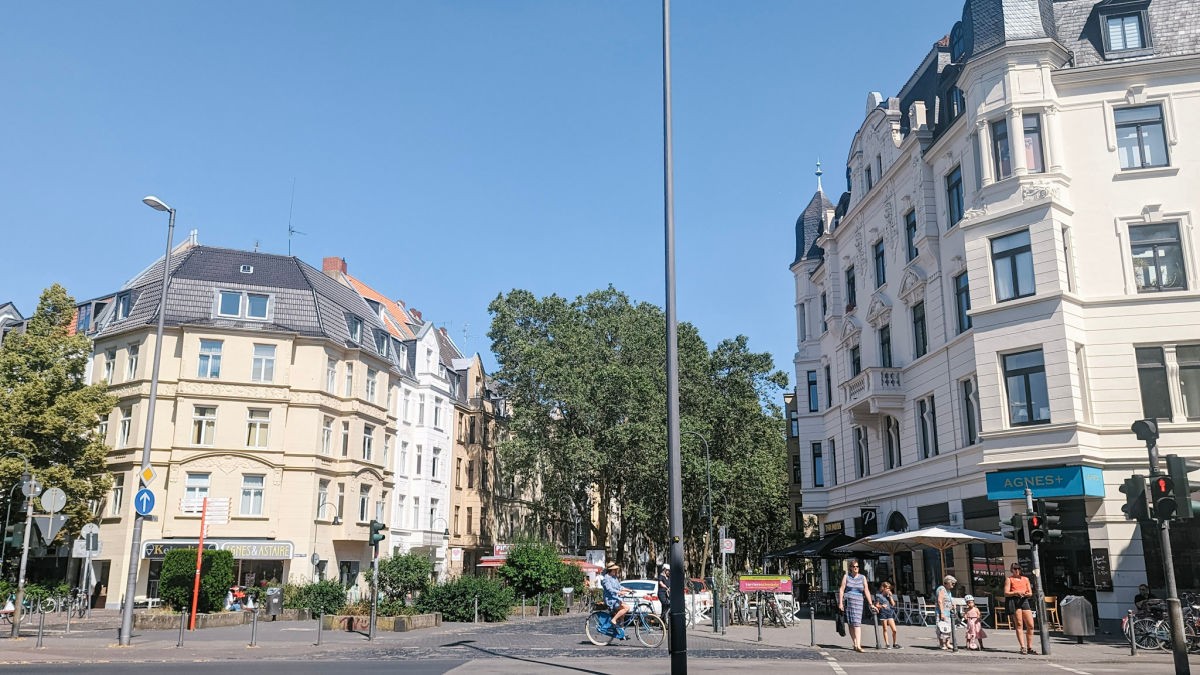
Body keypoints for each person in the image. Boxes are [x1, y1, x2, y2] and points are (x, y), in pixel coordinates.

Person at [837, 559, 876, 652]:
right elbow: (842, 589)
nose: (855, 568)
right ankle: (854, 643)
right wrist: (840, 603)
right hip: (849, 602)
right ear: (850, 568)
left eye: (857, 567)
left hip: (859, 602)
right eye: (854, 567)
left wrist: (871, 603)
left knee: (857, 623)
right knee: (851, 623)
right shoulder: (846, 577)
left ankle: (858, 645)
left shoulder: (862, 577)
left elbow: (866, 590)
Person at [1004, 563, 1035, 654]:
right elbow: (1006, 593)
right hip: (1014, 601)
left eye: (1018, 568)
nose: (1017, 570)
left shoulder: (1025, 579)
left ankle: (1029, 647)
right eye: (1015, 569)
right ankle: (1023, 646)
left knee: (1030, 625)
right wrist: (1016, 592)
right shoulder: (1009, 579)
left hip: (1024, 600)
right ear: (1012, 570)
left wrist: (1026, 594)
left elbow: (1030, 593)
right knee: (1019, 624)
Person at [601, 562, 630, 640]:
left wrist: (629, 590)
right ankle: (613, 620)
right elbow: (609, 589)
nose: (615, 571)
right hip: (610, 600)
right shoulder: (606, 578)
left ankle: (621, 633)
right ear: (610, 570)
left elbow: (619, 587)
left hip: (616, 599)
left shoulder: (614, 578)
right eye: (614, 570)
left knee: (622, 614)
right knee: (626, 608)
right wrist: (619, 592)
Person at [874, 581, 901, 649]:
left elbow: (893, 604)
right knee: (885, 629)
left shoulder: (888, 596)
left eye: (889, 588)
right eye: (888, 588)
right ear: (884, 588)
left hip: (889, 613)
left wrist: (891, 596)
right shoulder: (879, 596)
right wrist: (881, 606)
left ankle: (895, 643)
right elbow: (876, 605)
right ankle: (887, 644)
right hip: (883, 614)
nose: (889, 590)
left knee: (894, 630)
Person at [934, 575, 956, 650]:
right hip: (942, 612)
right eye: (952, 583)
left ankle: (947, 643)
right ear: (947, 582)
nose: (953, 585)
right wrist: (942, 612)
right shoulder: (942, 589)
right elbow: (940, 601)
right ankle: (942, 643)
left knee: (948, 628)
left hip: (948, 613)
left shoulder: (948, 590)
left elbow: (949, 600)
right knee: (941, 628)